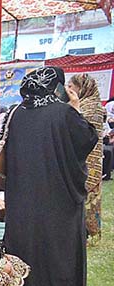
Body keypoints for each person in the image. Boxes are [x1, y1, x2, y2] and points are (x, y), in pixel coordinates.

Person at [4, 67, 98, 286]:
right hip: (56, 197)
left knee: (27, 245)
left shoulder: (17, 113)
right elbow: (87, 138)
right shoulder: (63, 112)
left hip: (22, 195)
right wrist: (75, 106)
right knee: (59, 247)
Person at [69, 73, 105, 244]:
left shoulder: (92, 107)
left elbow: (85, 132)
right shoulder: (82, 104)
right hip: (80, 156)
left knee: (88, 195)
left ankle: (88, 230)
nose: (69, 89)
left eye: (72, 86)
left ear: (82, 87)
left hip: (90, 158)